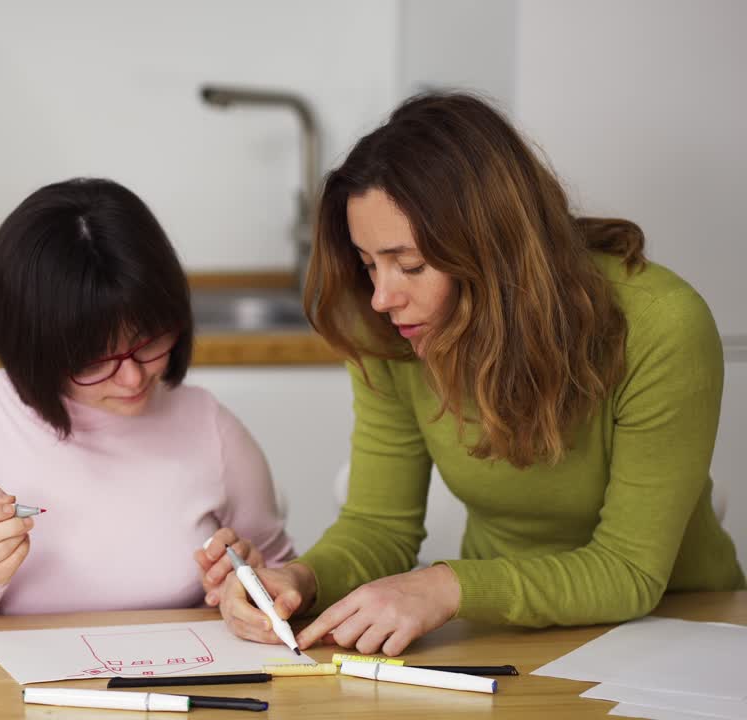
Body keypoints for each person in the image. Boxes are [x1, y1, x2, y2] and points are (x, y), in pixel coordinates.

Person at [211, 92, 745, 657]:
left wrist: (447, 585)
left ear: (493, 251)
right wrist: (300, 581)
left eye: (410, 265)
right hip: (505, 632)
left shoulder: (661, 325)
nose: (382, 297)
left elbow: (629, 571)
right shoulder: (389, 331)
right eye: (370, 265)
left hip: (683, 630)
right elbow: (379, 526)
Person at [0, 178, 293, 618]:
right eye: (93, 362)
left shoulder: (209, 425)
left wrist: (251, 584)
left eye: (149, 341)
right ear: (32, 352)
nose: (133, 377)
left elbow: (282, 572)